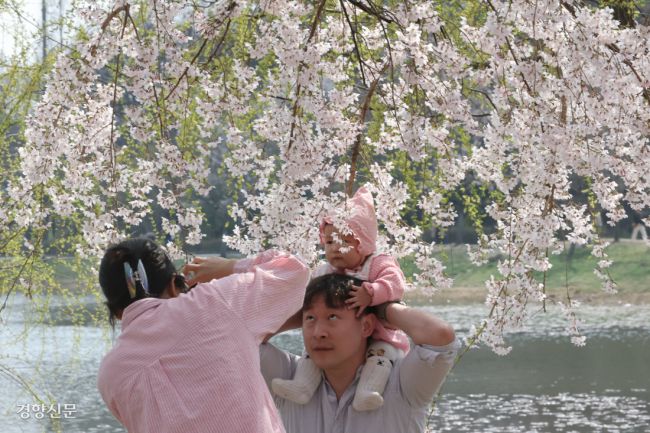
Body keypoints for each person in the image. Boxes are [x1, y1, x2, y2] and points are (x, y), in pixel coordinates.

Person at [96, 237, 310, 433]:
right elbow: (294, 271)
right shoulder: (212, 302)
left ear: (115, 312)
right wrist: (229, 267)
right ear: (174, 285)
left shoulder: (110, 375)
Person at [260, 273, 460, 433]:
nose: (319, 333)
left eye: (332, 317)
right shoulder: (289, 381)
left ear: (366, 326)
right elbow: (244, 337)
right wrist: (304, 308)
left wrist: (380, 306)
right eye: (310, 319)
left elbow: (439, 335)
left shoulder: (402, 384)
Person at [271, 186, 411, 411]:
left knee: (380, 357)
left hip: (381, 334)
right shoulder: (325, 271)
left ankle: (368, 392)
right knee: (312, 354)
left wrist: (372, 292)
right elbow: (309, 296)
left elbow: (395, 283)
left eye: (344, 241)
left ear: (364, 241)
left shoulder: (377, 263)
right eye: (329, 242)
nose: (336, 248)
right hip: (343, 336)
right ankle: (302, 386)